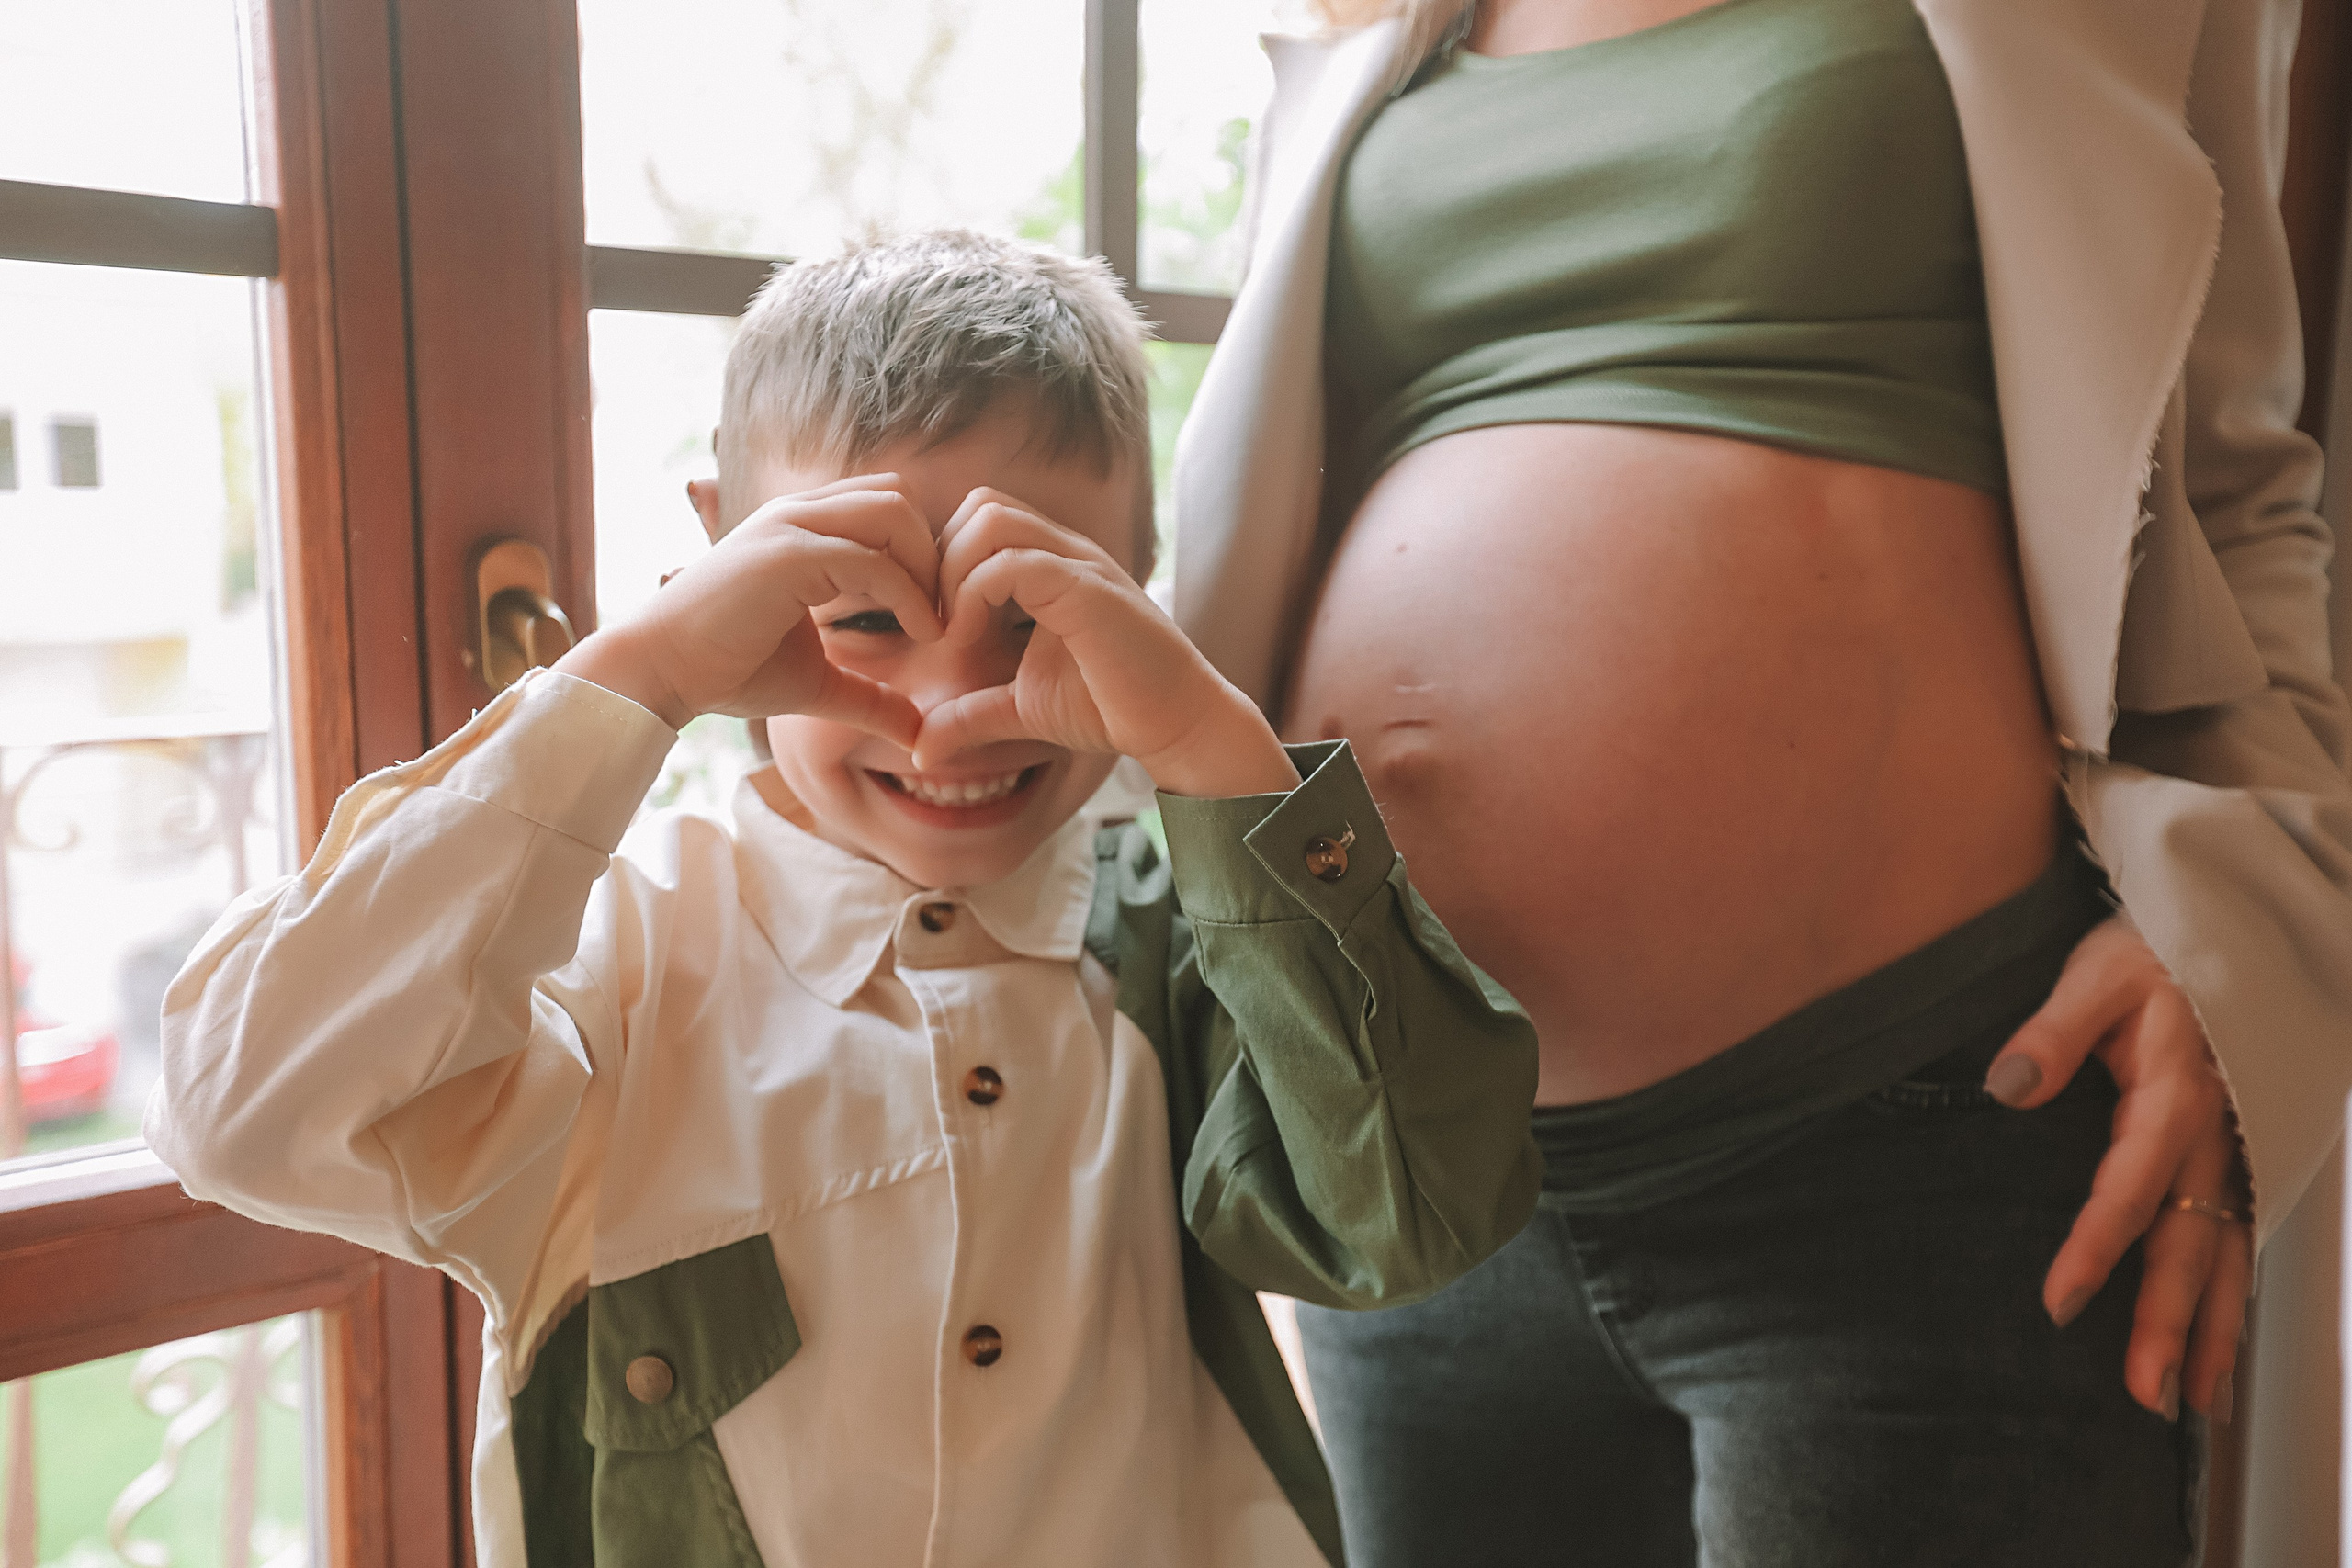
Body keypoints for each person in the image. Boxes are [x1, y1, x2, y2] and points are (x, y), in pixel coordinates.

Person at [144, 230, 1541, 1568]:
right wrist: (644, 674)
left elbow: (1415, 1209)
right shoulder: (614, 971)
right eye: (863, 613)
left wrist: (1205, 742)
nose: (950, 717)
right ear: (721, 564)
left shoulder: (1187, 947)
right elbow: (243, 1108)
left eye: (1037, 612)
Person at [1170, 0, 2352, 1560]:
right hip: (1422, 1151)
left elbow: (2242, 492)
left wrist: (2248, 927)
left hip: (1917, 1135)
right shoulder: (1378, 23)